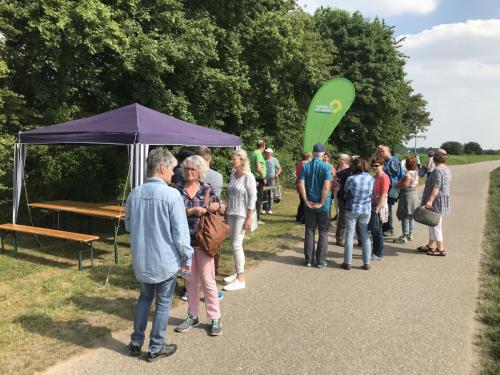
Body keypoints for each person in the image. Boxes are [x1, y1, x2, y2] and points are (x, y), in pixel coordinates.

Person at [125, 147, 193, 361]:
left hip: (142, 260)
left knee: (144, 298)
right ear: (162, 168)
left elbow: (128, 226)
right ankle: (155, 347)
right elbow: (181, 235)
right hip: (165, 262)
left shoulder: (134, 193)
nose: (174, 174)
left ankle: (136, 342)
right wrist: (187, 259)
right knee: (163, 302)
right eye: (172, 169)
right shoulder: (172, 195)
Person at [174, 155, 223, 336]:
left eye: (192, 169)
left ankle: (215, 317)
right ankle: (192, 315)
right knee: (188, 281)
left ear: (200, 171)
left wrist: (216, 207)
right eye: (186, 168)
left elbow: (221, 206)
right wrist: (191, 211)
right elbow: (171, 212)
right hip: (182, 244)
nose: (188, 171)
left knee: (208, 280)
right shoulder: (176, 189)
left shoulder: (207, 189)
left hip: (204, 243)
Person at [224, 149, 257, 291]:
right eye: (231, 159)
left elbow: (253, 197)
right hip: (231, 212)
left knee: (237, 244)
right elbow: (230, 193)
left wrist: (249, 217)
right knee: (234, 243)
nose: (232, 161)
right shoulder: (233, 174)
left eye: (234, 159)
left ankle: (241, 278)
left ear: (242, 161)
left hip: (242, 214)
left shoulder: (248, 176)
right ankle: (237, 272)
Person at [299, 144, 332, 268]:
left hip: (309, 203)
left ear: (313, 153)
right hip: (322, 206)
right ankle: (321, 261)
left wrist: (306, 200)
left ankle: (308, 260)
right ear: (323, 154)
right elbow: (327, 186)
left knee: (309, 231)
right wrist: (322, 202)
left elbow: (301, 185)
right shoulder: (326, 167)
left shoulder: (305, 166)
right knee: (323, 232)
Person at [417, 149, 452, 256]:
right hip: (441, 199)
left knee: (436, 224)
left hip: (436, 200)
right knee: (431, 222)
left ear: (436, 157)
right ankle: (431, 245)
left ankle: (441, 249)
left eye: (435, 154)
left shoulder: (437, 170)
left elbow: (437, 186)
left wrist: (430, 200)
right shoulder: (446, 169)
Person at [342, 157, 374, 271]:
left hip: (352, 209)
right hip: (365, 209)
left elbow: (346, 190)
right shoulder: (371, 178)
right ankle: (367, 262)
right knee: (365, 235)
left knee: (350, 235)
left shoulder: (351, 179)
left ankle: (347, 262)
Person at [377, 145, 404, 236]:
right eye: (380, 152)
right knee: (385, 207)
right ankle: (385, 228)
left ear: (389, 151)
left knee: (386, 208)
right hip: (387, 187)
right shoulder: (386, 161)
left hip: (392, 188)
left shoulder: (394, 161)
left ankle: (388, 229)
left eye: (383, 151)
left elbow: (397, 175)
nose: (381, 153)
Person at [394, 155, 420, 243]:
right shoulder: (416, 172)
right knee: (411, 216)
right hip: (414, 195)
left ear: (406, 165)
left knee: (405, 216)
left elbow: (405, 185)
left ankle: (404, 236)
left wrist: (396, 185)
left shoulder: (408, 174)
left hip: (407, 196)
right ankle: (411, 234)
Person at [368, 155, 389, 261]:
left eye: (377, 165)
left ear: (382, 165)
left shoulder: (384, 177)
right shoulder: (375, 176)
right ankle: (375, 252)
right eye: (373, 165)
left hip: (380, 206)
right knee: (374, 230)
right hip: (373, 204)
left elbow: (384, 194)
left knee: (377, 230)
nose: (374, 167)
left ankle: (378, 254)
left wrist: (377, 208)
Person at [334, 155, 354, 246]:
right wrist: (338, 183)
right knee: (342, 218)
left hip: (354, 198)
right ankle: (339, 238)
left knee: (355, 219)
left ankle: (360, 240)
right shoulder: (346, 171)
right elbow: (335, 176)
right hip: (343, 197)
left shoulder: (360, 172)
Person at [250, 140, 266, 221]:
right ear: (263, 146)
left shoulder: (252, 153)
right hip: (259, 178)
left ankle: (252, 217)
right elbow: (259, 168)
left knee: (252, 198)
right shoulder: (259, 154)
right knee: (258, 199)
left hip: (253, 177)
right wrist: (263, 177)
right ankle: (256, 219)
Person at [263, 148, 281, 214]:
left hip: (271, 178)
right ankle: (264, 208)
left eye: (267, 152)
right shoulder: (263, 159)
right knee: (264, 194)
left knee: (270, 193)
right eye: (265, 152)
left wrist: (276, 175)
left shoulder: (274, 160)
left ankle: (270, 209)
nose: (266, 153)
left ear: (271, 153)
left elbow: (279, 168)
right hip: (264, 178)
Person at [295, 152, 311, 224]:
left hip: (299, 184)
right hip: (304, 185)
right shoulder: (307, 164)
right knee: (305, 202)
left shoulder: (299, 164)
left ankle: (299, 218)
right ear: (308, 157)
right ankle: (304, 219)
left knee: (302, 201)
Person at [322, 151, 336, 220]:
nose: (325, 158)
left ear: (328, 158)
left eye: (326, 157)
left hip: (328, 187)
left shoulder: (330, 166)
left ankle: (328, 219)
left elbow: (334, 176)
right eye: (324, 156)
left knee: (328, 203)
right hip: (320, 187)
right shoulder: (320, 165)